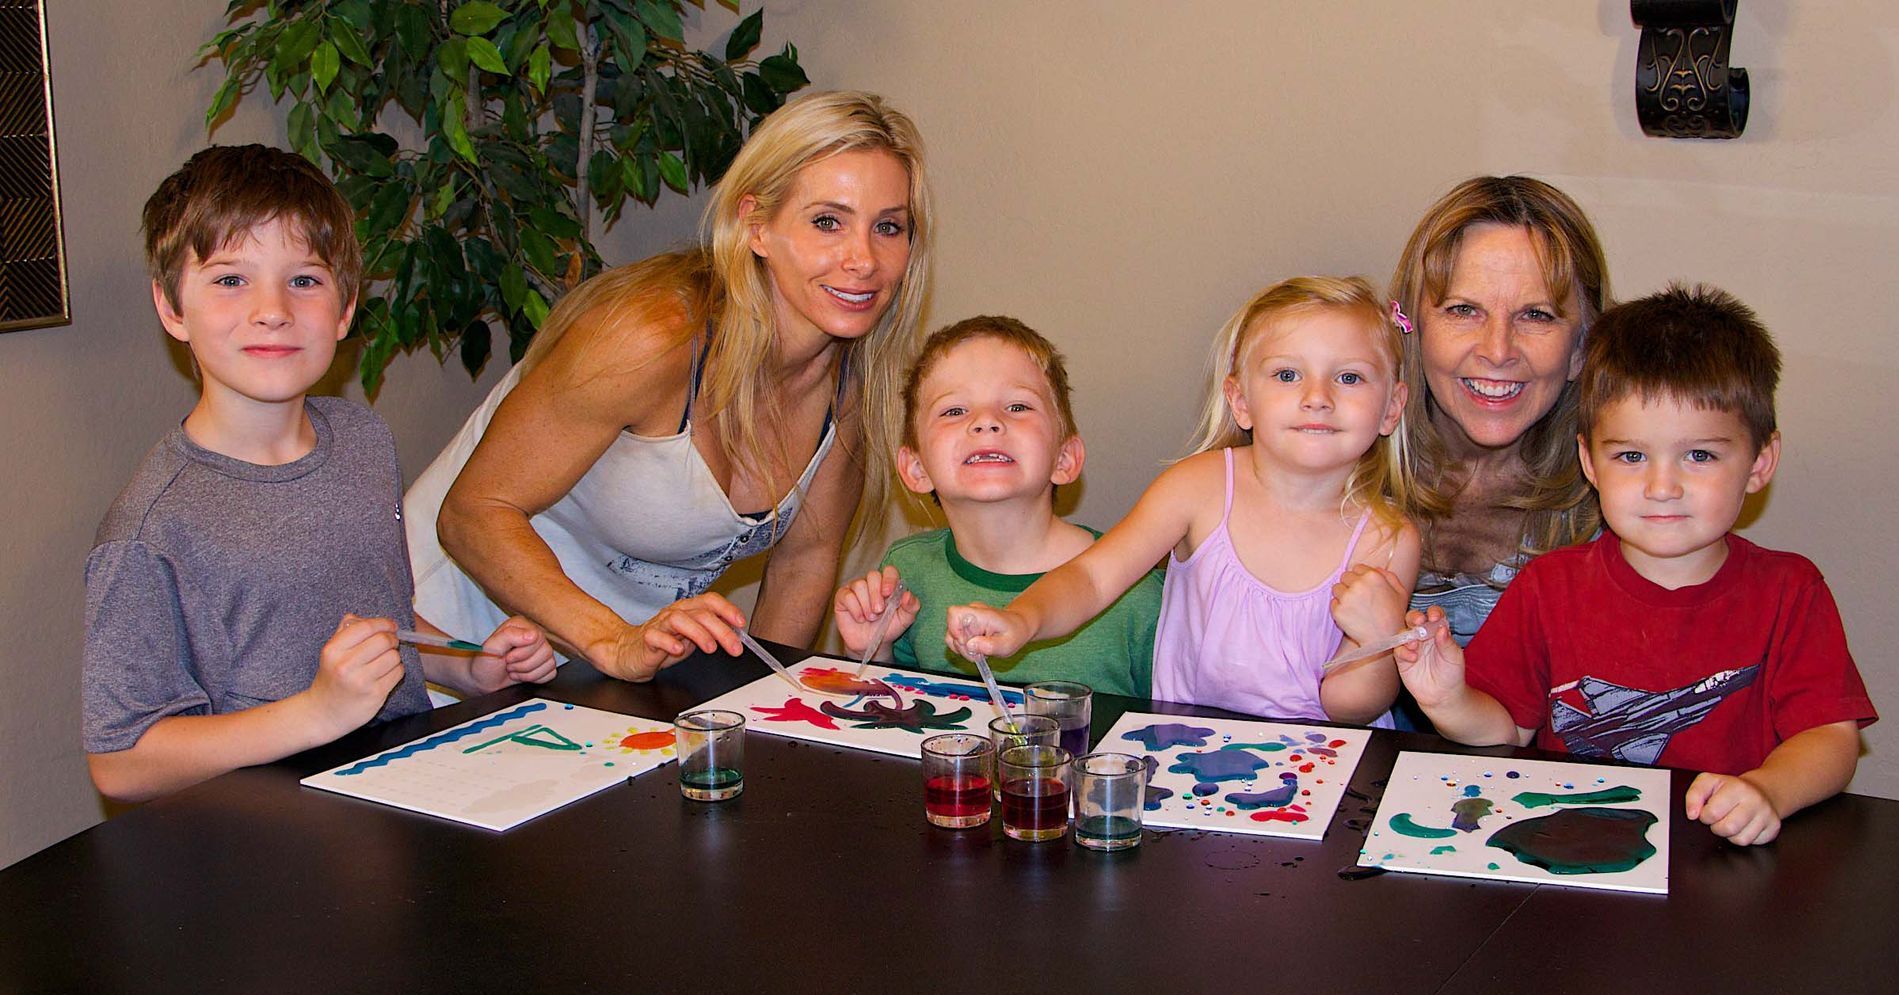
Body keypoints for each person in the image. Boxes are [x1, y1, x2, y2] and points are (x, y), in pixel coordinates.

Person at [406, 91, 933, 682]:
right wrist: (610, 641)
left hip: (615, 669)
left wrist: (755, 712)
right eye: (827, 222)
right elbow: (474, 513)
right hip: (446, 645)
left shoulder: (853, 389)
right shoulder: (651, 335)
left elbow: (803, 563)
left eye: (889, 227)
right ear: (755, 226)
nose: (863, 259)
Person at [84, 145, 556, 802]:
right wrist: (317, 713)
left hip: (408, 792)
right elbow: (120, 760)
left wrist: (470, 666)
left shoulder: (362, 440)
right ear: (171, 307)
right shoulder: (153, 526)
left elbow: (384, 619)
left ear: (344, 307)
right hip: (262, 845)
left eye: (304, 280)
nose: (272, 308)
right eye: (230, 280)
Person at [1393, 284, 1876, 846]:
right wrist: (1445, 698)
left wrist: (1770, 790)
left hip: (1722, 858)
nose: (1662, 486)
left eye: (1700, 455)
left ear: (1759, 463)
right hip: (1570, 850)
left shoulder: (1791, 591)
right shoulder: (1549, 586)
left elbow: (1831, 740)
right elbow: (1506, 729)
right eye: (1631, 456)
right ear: (1589, 462)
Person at [948, 278, 1419, 725]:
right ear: (1241, 401)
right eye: (1287, 374)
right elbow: (1092, 578)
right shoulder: (1198, 487)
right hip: (1187, 757)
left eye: (1351, 378)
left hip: (1321, 768)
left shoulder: (1388, 539)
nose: (1318, 397)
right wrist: (1022, 620)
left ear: (1391, 409)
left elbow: (1346, 706)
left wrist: (1377, 639)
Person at [833, 316, 1162, 696]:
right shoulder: (907, 572)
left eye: (1018, 406)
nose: (986, 421)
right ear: (916, 468)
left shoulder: (1136, 591)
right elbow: (900, 717)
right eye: (954, 411)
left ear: (1065, 458)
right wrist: (872, 651)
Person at [1391, 176, 1612, 648]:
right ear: (1414, 329)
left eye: (1536, 315)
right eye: (1463, 310)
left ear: (1580, 349)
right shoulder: (1327, 473)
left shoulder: (1621, 511)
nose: (1497, 350)